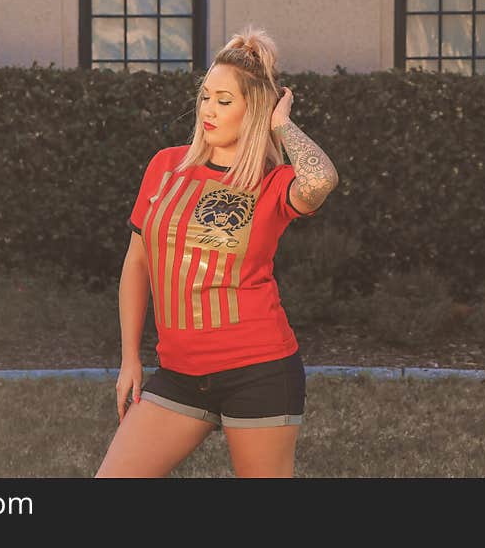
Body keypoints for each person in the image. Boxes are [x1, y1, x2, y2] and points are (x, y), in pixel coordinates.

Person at [95, 26, 340, 478]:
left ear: (254, 111)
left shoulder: (272, 181)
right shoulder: (166, 166)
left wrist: (282, 125)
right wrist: (130, 357)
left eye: (224, 101)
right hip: (180, 375)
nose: (209, 110)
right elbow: (138, 260)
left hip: (259, 371)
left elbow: (321, 180)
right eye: (206, 97)